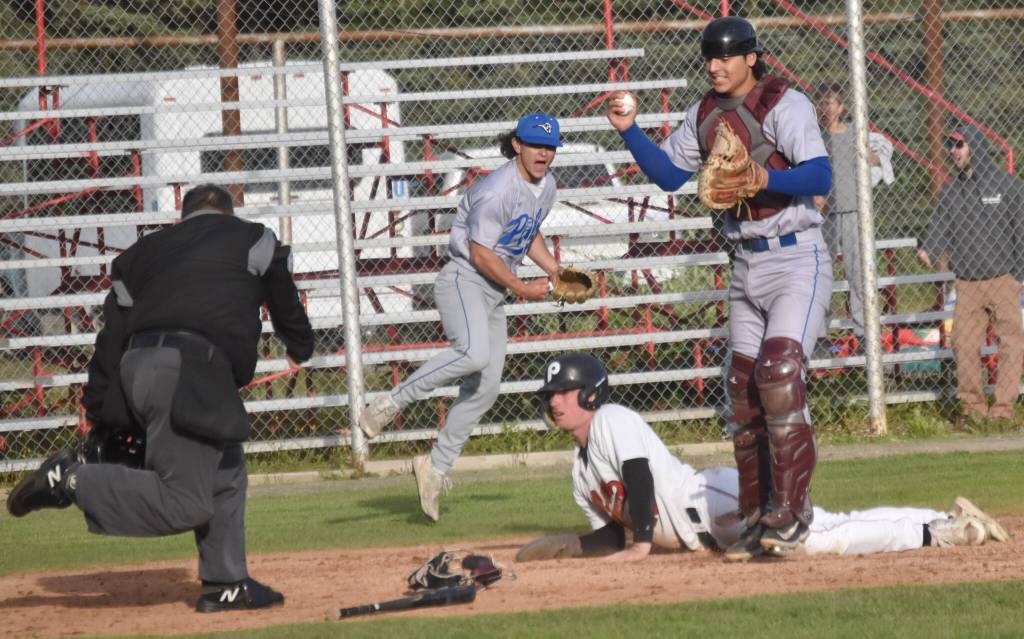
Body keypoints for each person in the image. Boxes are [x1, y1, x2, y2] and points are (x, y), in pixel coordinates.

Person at [5, 184, 315, 612]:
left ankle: (225, 583)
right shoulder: (253, 237)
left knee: (226, 469)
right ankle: (70, 480)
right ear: (228, 214)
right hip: (190, 367)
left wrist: (99, 411)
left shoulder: (143, 253)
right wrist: (300, 345)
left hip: (142, 366)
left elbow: (111, 337)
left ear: (182, 218)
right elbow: (283, 294)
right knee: (183, 500)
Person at [605, 15, 833, 555]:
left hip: (797, 258)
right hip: (747, 262)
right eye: (710, 57)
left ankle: (792, 514)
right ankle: (756, 516)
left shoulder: (785, 104)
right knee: (742, 390)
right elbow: (667, 176)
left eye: (727, 56)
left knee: (779, 374)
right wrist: (629, 130)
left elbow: (820, 175)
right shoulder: (705, 114)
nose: (715, 66)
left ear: (751, 57)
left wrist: (765, 178)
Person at [516, 352, 1011, 563]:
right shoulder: (579, 472)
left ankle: (935, 529)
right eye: (551, 394)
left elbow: (639, 479)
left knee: (814, 539)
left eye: (566, 391)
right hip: (704, 533)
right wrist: (574, 544)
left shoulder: (611, 420)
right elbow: (612, 532)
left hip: (709, 502)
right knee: (819, 537)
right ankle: (940, 522)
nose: (555, 400)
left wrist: (643, 545)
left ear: (591, 395)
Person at [358, 112, 563, 521]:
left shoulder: (547, 186)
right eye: (535, 144)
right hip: (463, 279)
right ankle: (388, 404)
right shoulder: (496, 189)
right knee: (471, 354)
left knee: (486, 387)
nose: (543, 153)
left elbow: (528, 230)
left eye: (550, 146)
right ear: (517, 145)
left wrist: (554, 269)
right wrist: (524, 288)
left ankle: (434, 467)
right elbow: (482, 254)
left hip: (493, 292)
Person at [918, 125, 1024, 424]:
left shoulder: (1009, 186)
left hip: (1004, 279)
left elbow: (1022, 229)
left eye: (959, 145)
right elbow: (940, 225)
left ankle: (1003, 410)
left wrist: (1018, 275)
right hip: (967, 283)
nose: (953, 151)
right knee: (963, 344)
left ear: (975, 146)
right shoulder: (952, 192)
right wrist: (930, 249)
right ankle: (973, 411)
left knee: (1012, 343)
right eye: (951, 146)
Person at [816, 83, 884, 339]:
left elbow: (875, 157)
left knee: (858, 274)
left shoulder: (853, 134)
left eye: (830, 102)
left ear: (841, 107)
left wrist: (873, 156)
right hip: (826, 216)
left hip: (855, 212)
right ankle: (820, 333)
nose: (826, 108)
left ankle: (864, 332)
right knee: (822, 275)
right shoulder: (816, 137)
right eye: (821, 103)